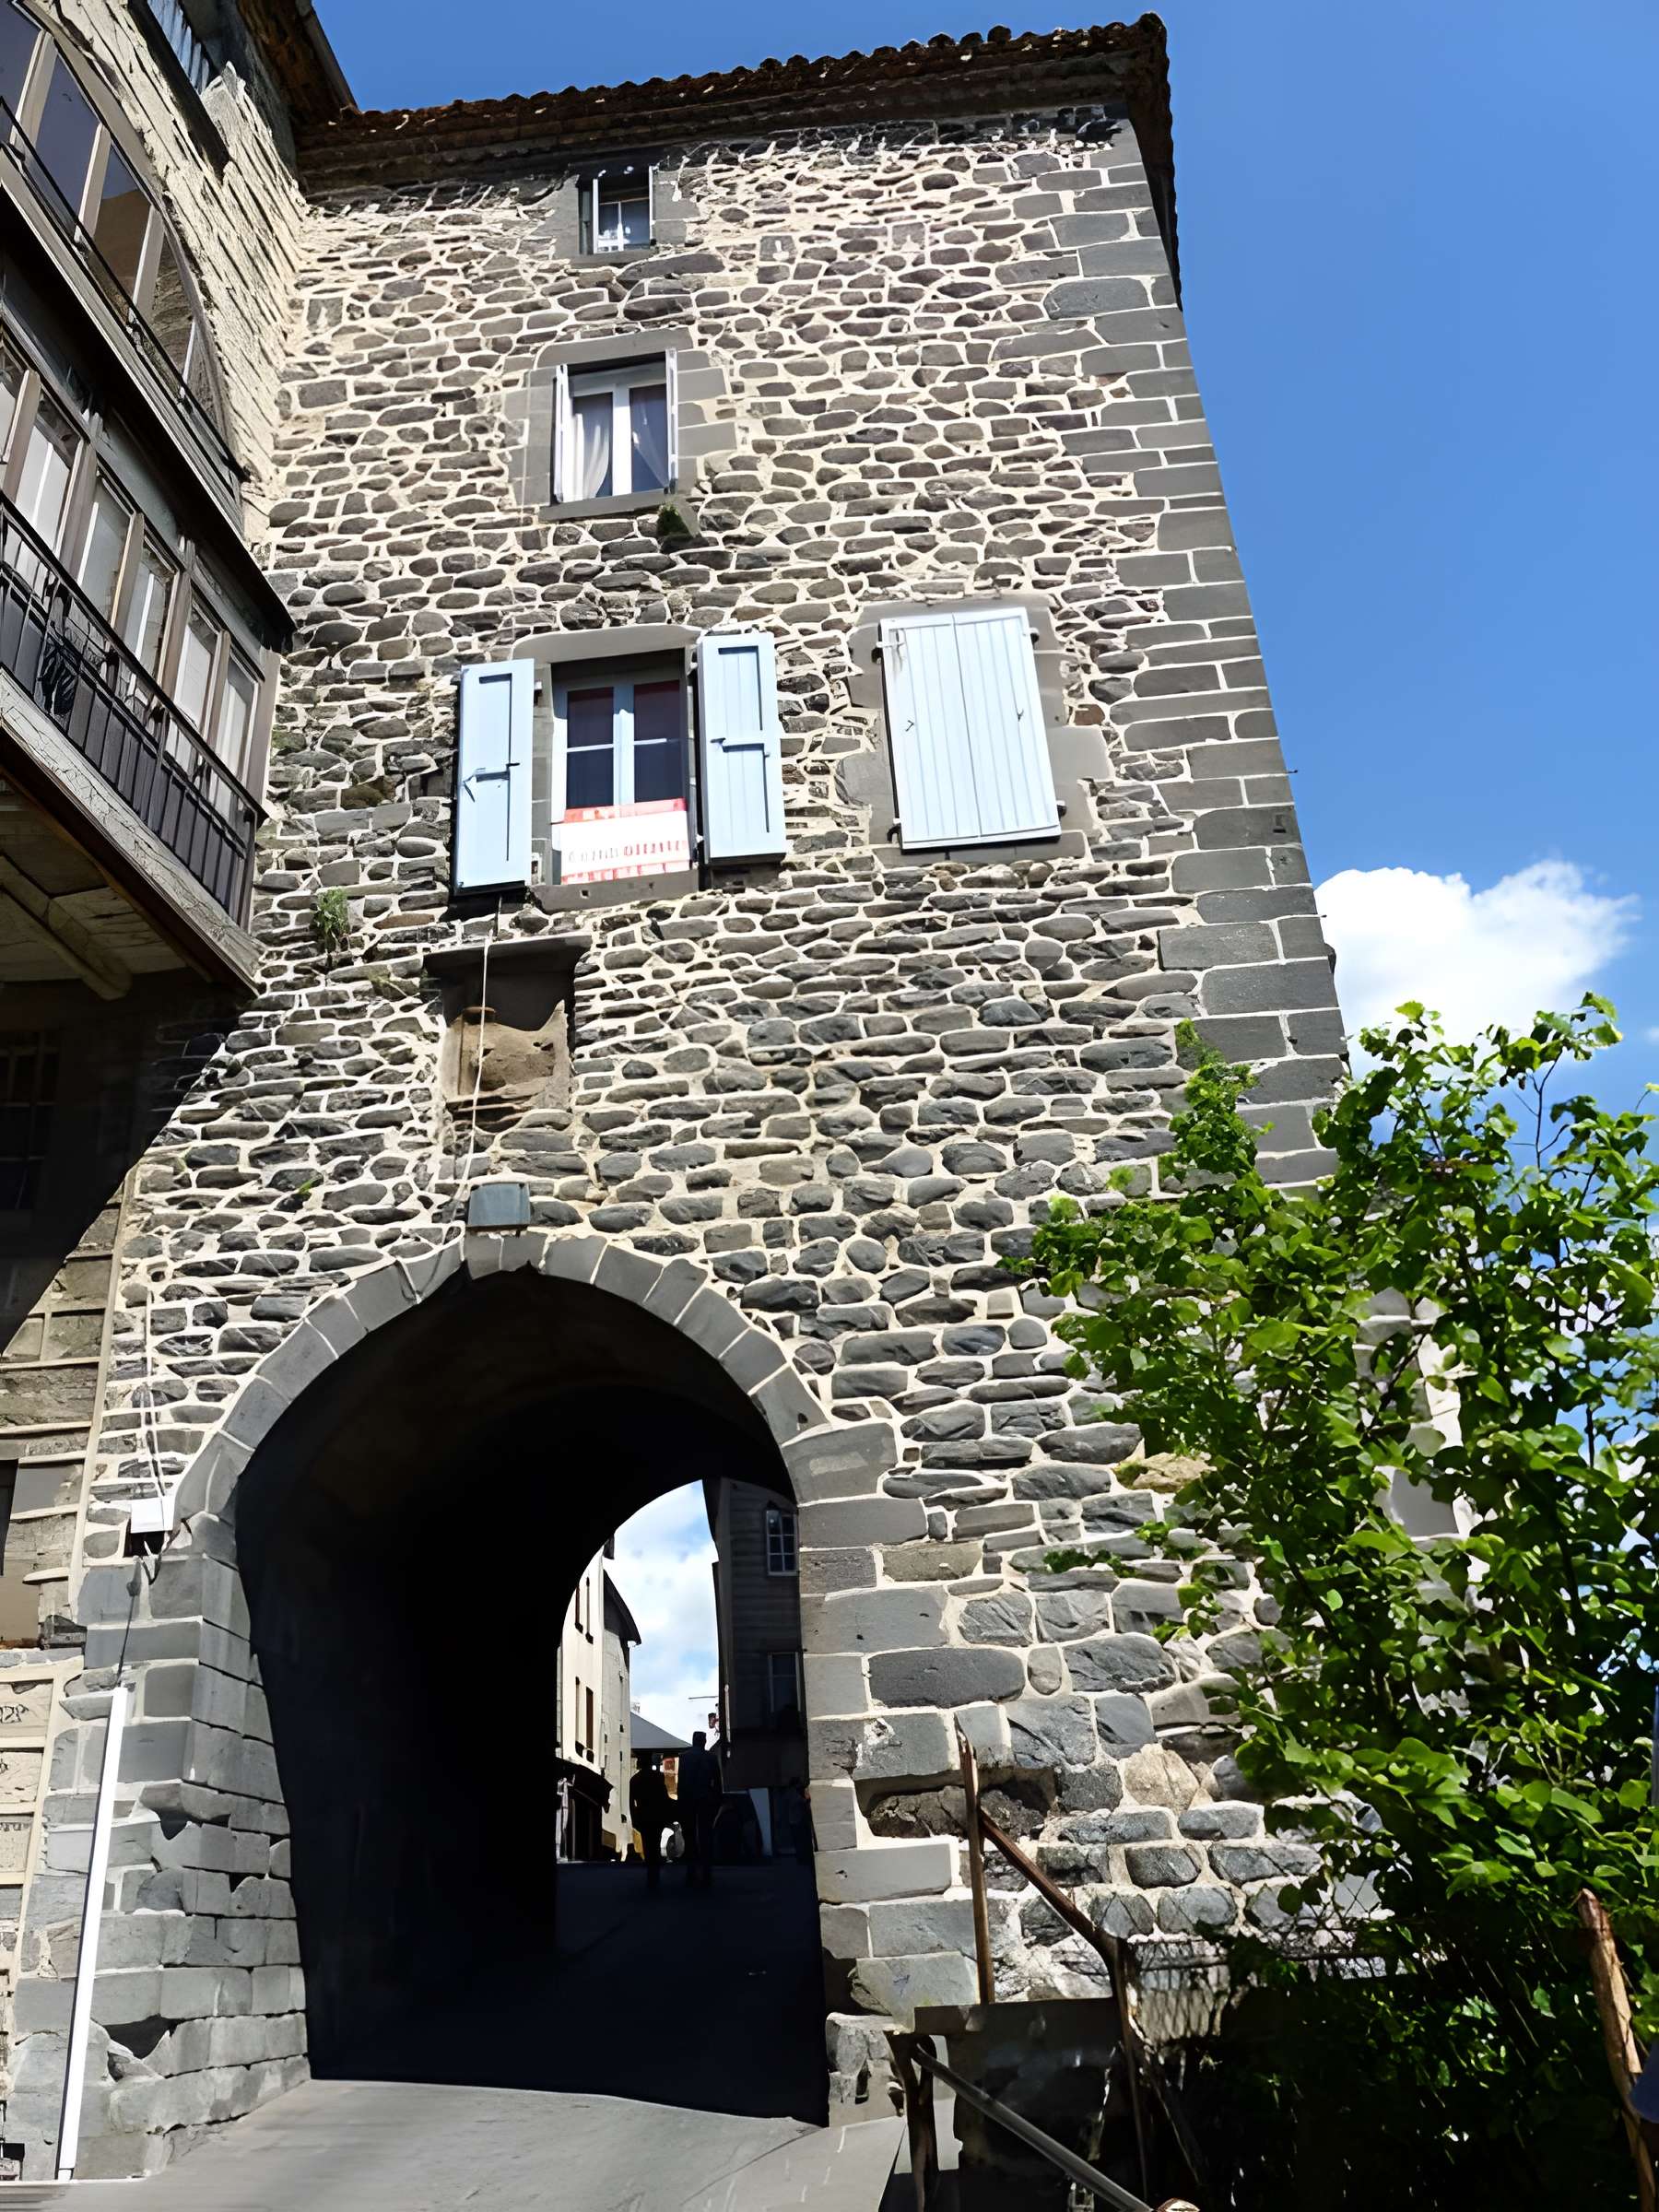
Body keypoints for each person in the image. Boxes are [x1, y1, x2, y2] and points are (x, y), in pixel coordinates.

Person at [677, 1729, 724, 1888]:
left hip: (688, 1800)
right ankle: (706, 1872)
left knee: (689, 1836)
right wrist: (717, 1800)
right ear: (703, 1741)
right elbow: (718, 1782)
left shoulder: (684, 1758)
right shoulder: (710, 1758)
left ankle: (691, 1870)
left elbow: (681, 1783)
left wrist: (681, 1802)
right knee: (706, 1836)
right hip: (706, 1799)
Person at [628, 1753, 671, 1889]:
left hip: (643, 1815)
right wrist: (666, 1815)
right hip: (657, 1815)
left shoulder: (634, 1780)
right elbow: (664, 1797)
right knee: (656, 1844)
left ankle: (650, 1875)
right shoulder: (658, 1777)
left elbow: (631, 1803)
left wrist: (634, 1818)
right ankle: (655, 1875)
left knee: (647, 1845)